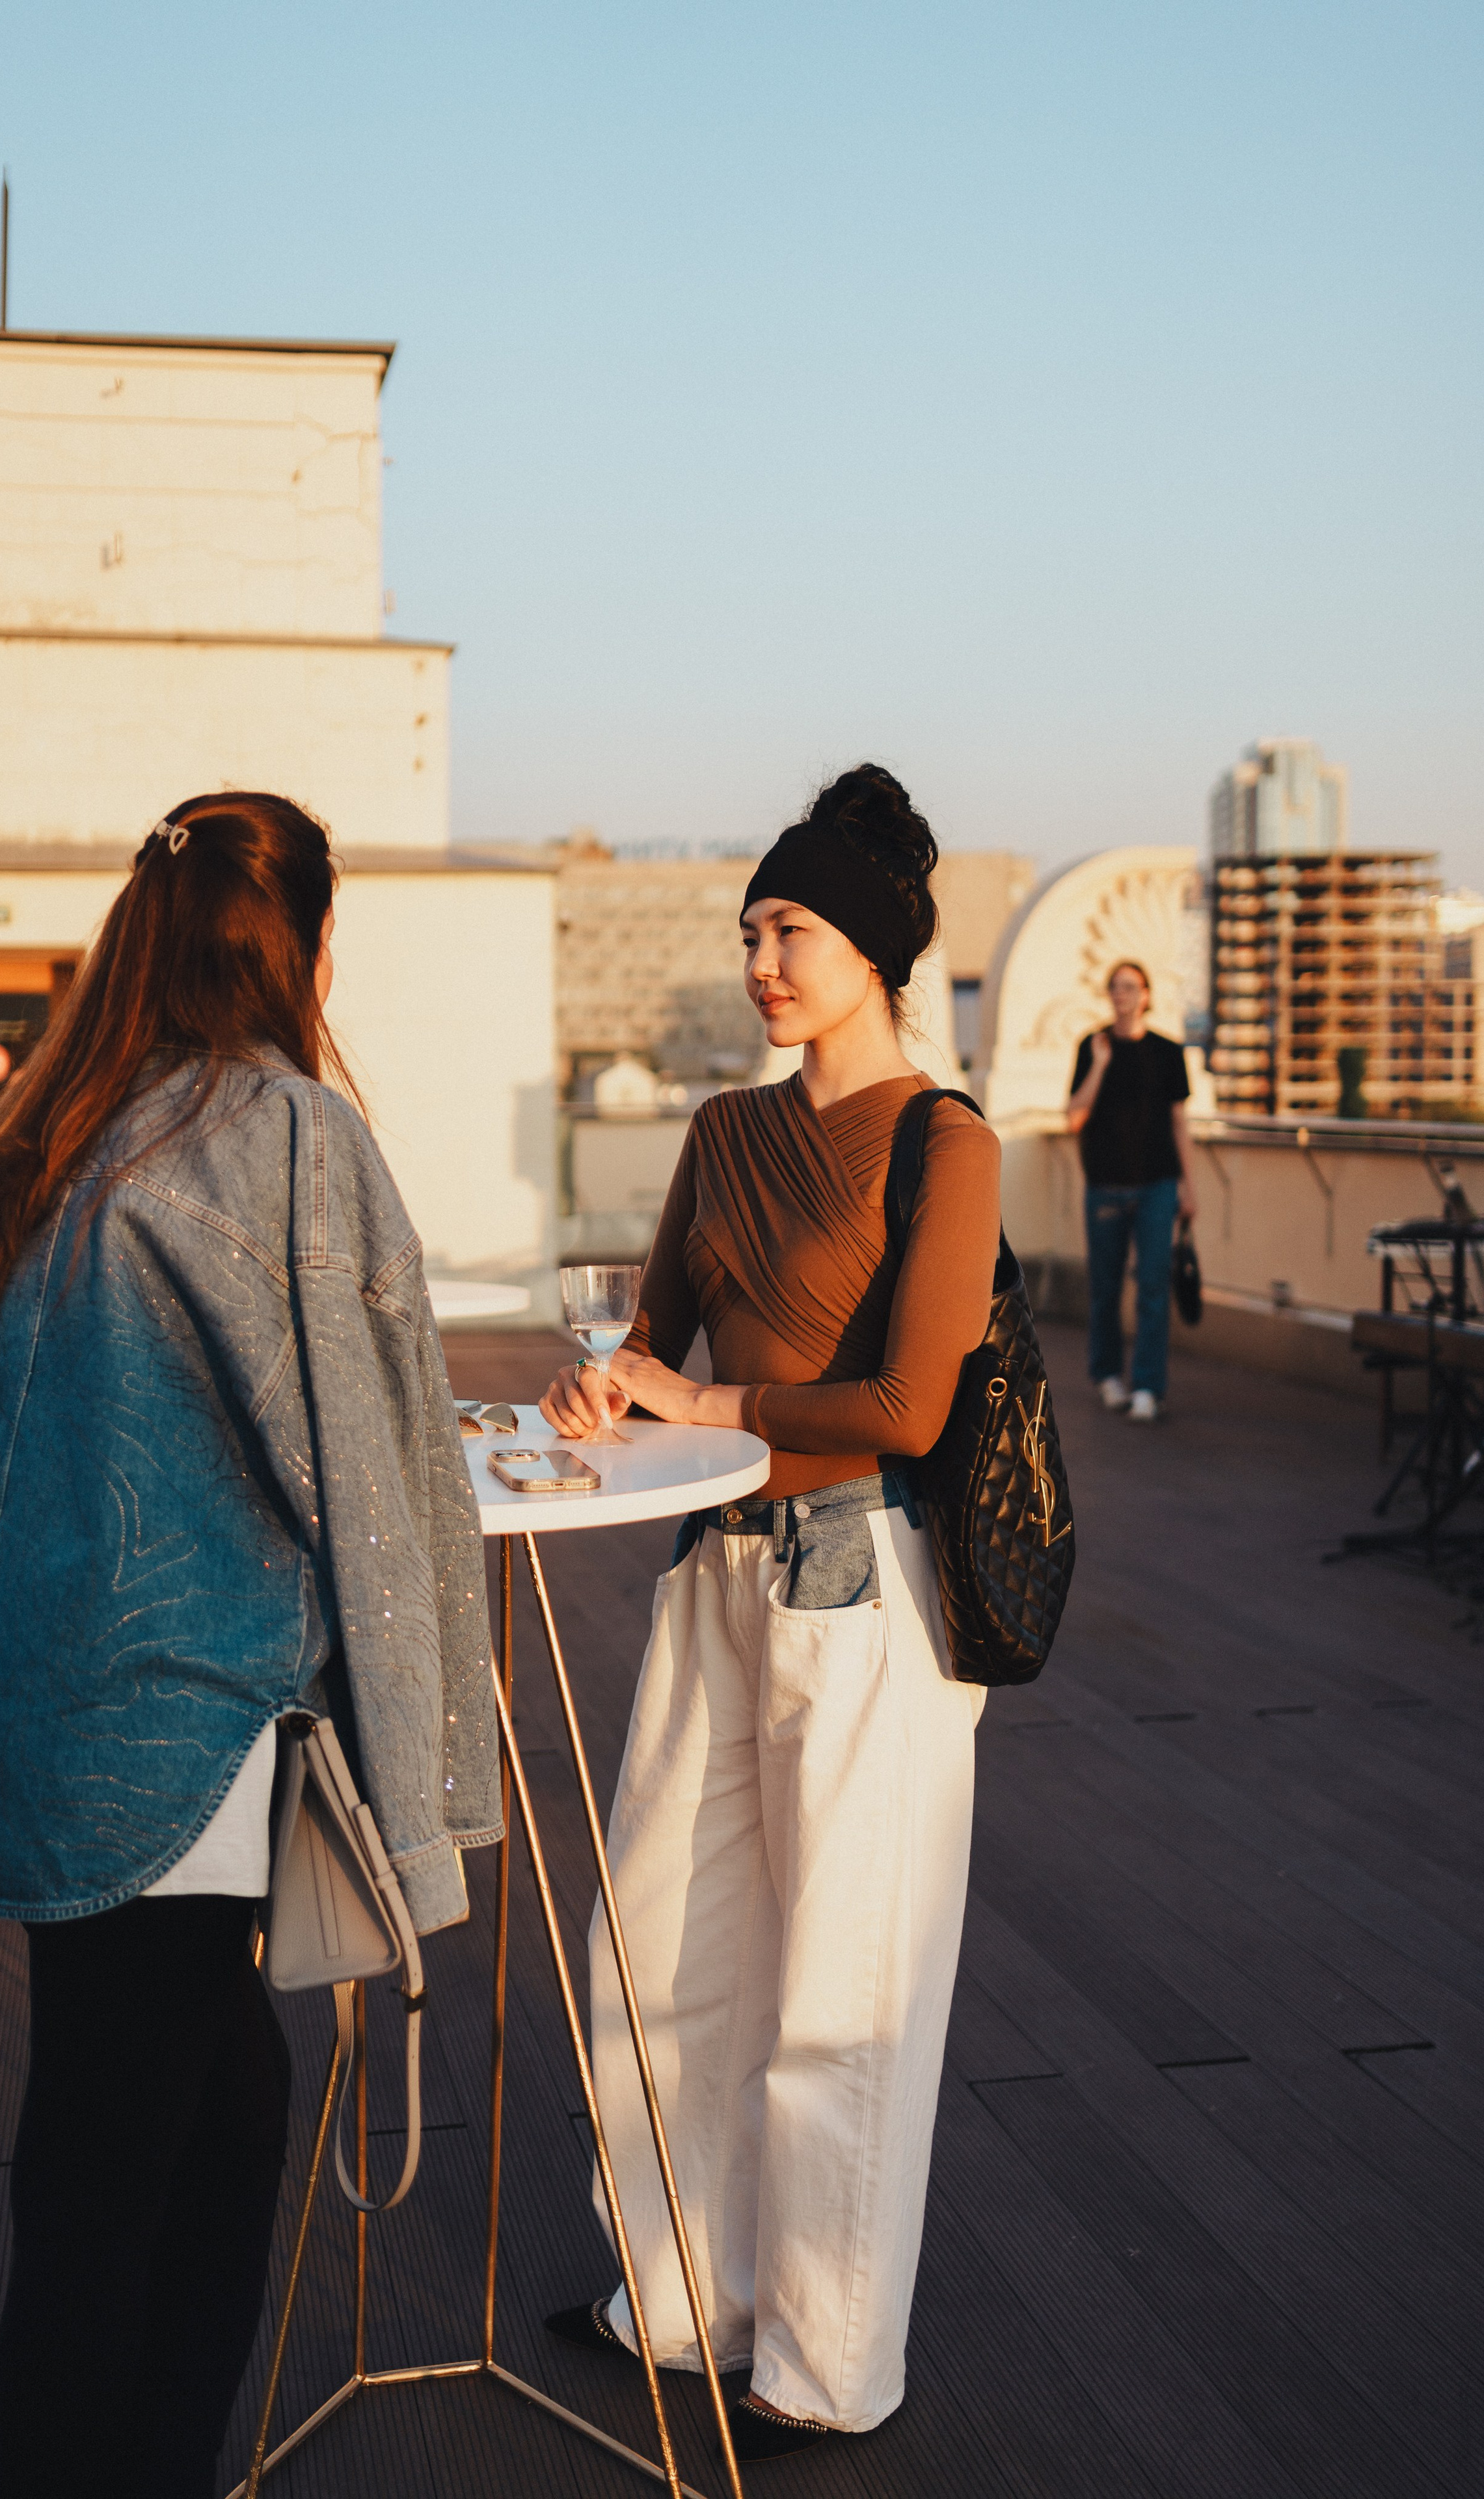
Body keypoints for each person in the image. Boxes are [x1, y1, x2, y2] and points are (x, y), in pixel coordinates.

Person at [0, 795, 502, 2499]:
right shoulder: (286, 1136)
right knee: (108, 2198)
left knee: (209, 2122)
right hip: (178, 1750)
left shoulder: (39, 1142)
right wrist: (428, 1797)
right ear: (298, 941)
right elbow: (376, 1482)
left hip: (38, 1732)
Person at [538, 764, 999, 2462]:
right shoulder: (727, 1134)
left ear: (874, 950)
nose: (762, 957)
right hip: (716, 1582)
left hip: (867, 1595)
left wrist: (694, 1402)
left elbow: (910, 1411)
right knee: (659, 1949)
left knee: (843, 1981)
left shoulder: (947, 1141)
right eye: (750, 929)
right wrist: (610, 1397)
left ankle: (821, 2360)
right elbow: (646, 1330)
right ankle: (671, 2299)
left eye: (790, 928)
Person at [1066, 958, 1198, 1421]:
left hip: (1158, 1186)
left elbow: (1179, 1123)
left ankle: (1147, 1385)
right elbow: (1074, 1117)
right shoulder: (1092, 1046)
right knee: (1104, 1289)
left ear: (1146, 995)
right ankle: (1107, 1376)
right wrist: (1100, 1066)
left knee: (1152, 1288)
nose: (1123, 995)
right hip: (1105, 1186)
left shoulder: (1168, 1052)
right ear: (1110, 996)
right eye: (1116, 987)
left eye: (1131, 987)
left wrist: (1189, 1185)